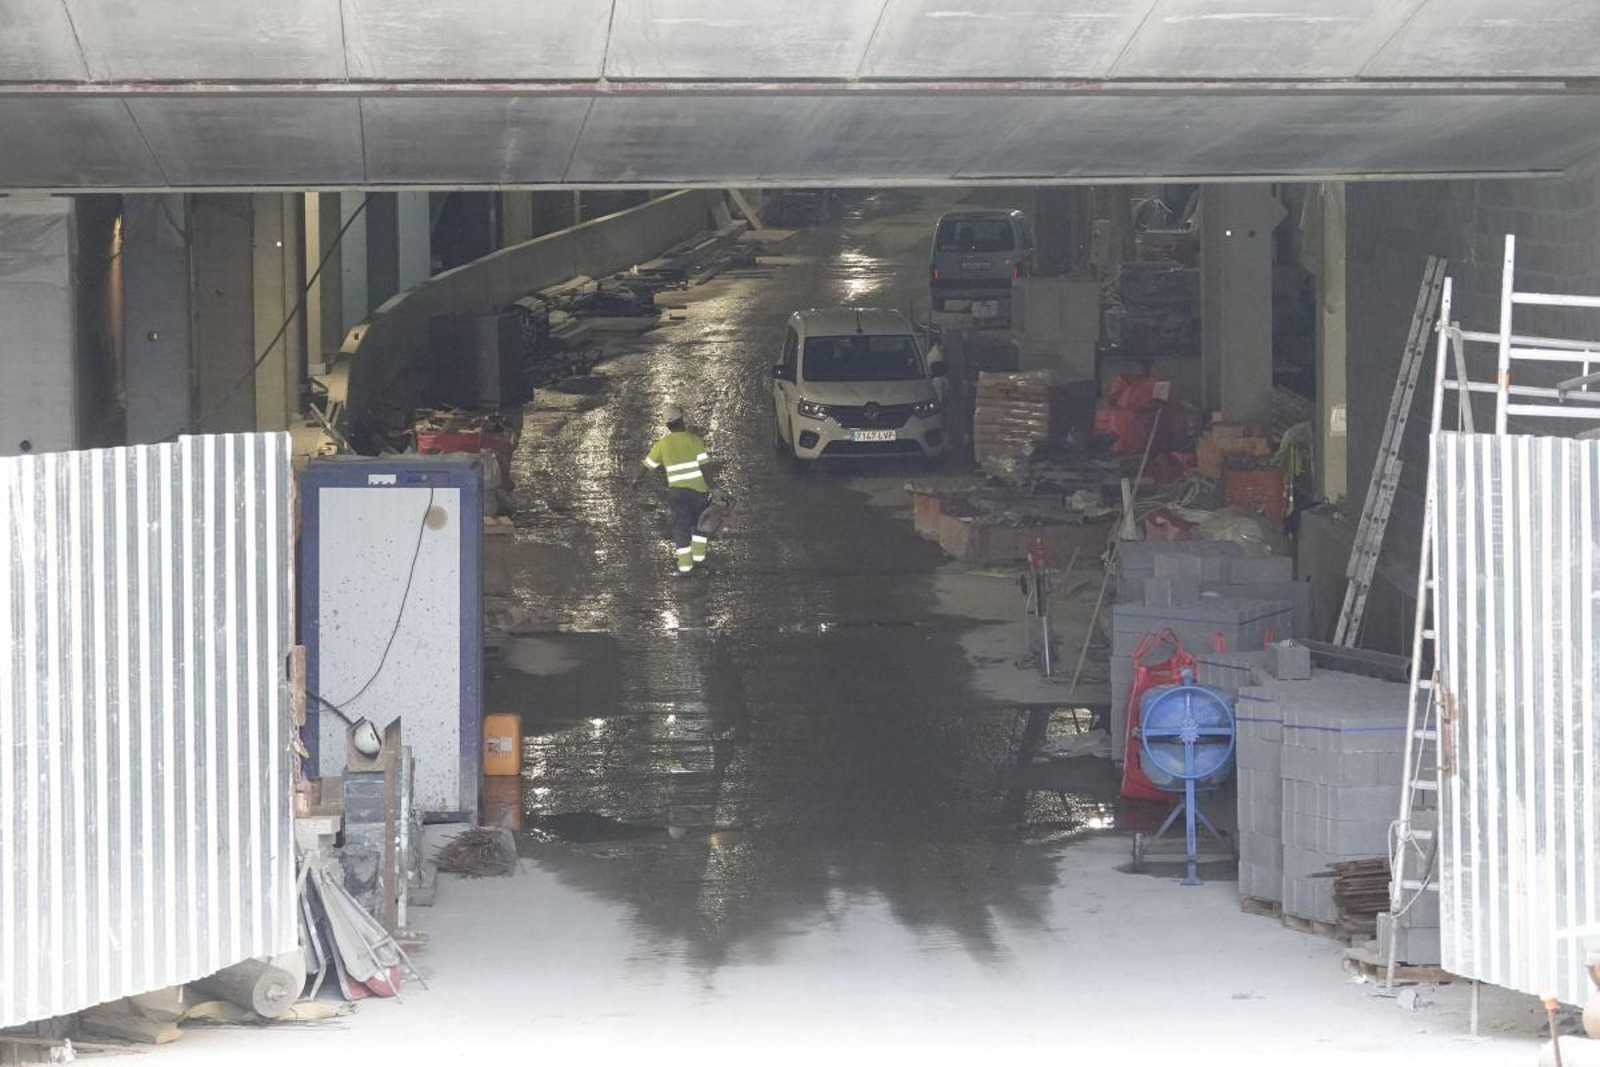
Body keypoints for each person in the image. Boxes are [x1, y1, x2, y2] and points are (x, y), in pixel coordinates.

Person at [641, 404, 711, 576]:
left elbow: (647, 465)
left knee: (681, 528)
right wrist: (713, 488)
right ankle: (699, 560)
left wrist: (636, 480)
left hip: (678, 494)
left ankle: (685, 567)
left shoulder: (662, 445)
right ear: (682, 420)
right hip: (699, 492)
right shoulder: (695, 440)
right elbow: (705, 467)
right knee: (700, 526)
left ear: (667, 425)